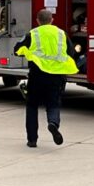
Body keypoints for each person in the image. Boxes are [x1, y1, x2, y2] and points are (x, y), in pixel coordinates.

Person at [15, 8, 78, 147]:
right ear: (52, 20)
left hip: (37, 75)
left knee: (32, 105)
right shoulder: (61, 34)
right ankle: (53, 123)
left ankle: (32, 140)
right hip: (56, 76)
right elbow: (71, 52)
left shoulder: (33, 34)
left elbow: (17, 49)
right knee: (53, 103)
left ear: (37, 21)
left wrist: (26, 53)